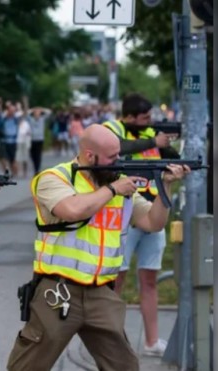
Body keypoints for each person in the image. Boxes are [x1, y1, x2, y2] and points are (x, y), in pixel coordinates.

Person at [6, 124, 189, 371]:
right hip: (60, 290)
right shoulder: (55, 178)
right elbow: (72, 210)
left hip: (102, 292)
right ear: (90, 156)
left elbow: (152, 222)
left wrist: (165, 186)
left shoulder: (118, 184)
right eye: (112, 157)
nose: (118, 161)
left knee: (124, 366)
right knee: (27, 366)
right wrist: (112, 189)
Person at [102, 93, 180, 356]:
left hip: (152, 210)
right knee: (116, 283)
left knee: (149, 280)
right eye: (144, 118)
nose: (149, 122)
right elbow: (115, 149)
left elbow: (171, 156)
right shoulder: (111, 129)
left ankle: (151, 342)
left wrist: (169, 146)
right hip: (123, 215)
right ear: (129, 117)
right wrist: (153, 140)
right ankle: (111, 343)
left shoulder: (150, 132)